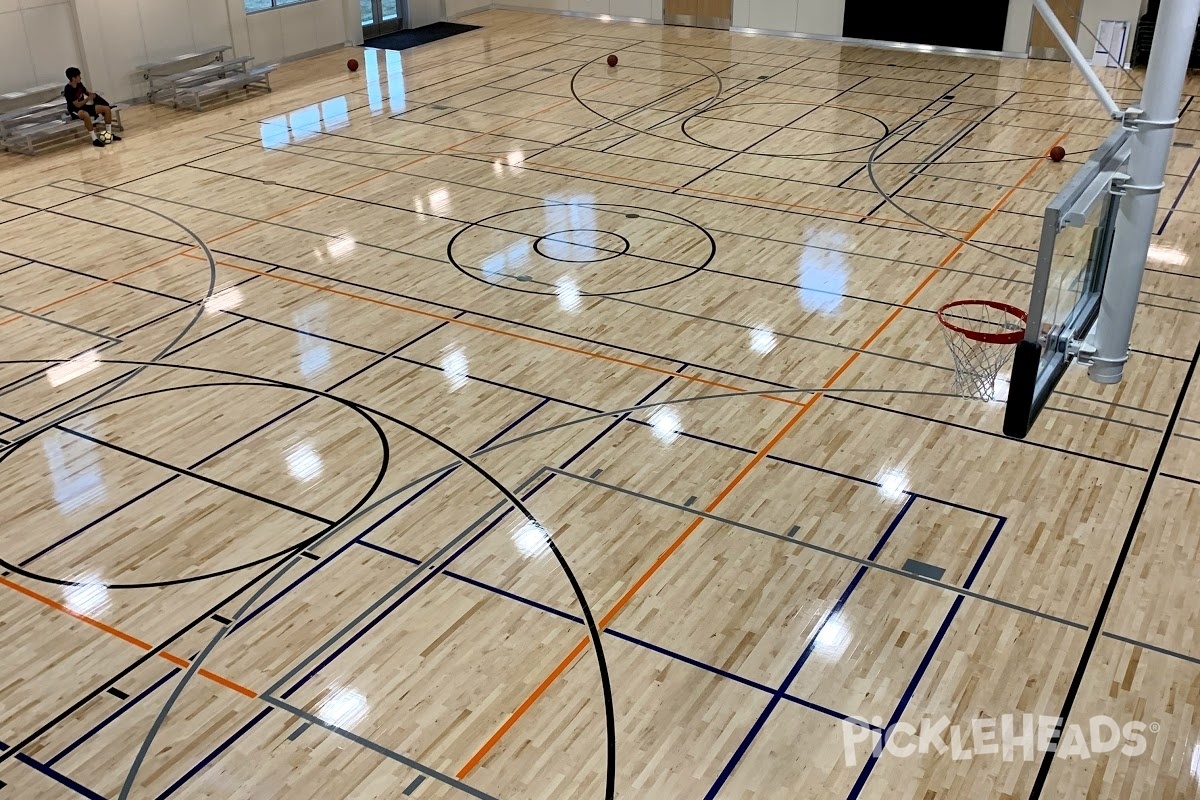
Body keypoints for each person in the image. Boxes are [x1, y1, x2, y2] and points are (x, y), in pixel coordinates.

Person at [63, 67, 121, 147]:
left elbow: (87, 92)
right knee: (85, 114)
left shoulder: (79, 84)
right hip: (74, 110)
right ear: (73, 78)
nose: (80, 77)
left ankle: (109, 134)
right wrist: (88, 99)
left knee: (106, 109)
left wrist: (93, 95)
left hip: (84, 106)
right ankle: (94, 139)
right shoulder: (68, 89)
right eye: (79, 76)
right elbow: (77, 105)